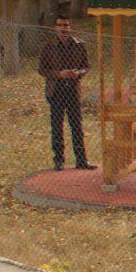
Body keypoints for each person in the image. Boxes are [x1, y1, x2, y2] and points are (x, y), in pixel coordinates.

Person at [38, 15, 95, 171]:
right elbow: (41, 69)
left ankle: (81, 160)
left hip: (72, 89)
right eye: (61, 25)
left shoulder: (78, 45)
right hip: (56, 90)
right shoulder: (48, 46)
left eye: (67, 25)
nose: (64, 28)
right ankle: (59, 160)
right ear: (55, 28)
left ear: (70, 27)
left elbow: (86, 66)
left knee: (76, 125)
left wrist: (78, 73)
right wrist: (59, 74)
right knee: (57, 126)